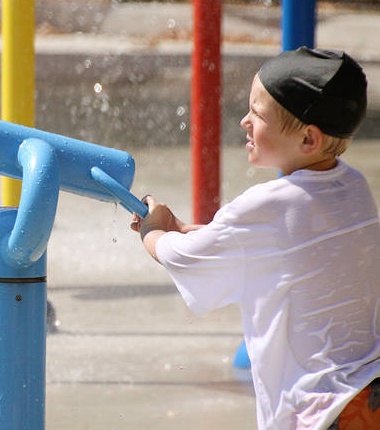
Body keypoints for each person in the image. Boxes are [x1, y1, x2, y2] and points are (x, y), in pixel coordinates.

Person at [131, 46, 380, 430]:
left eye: (258, 114)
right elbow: (265, 249)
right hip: (368, 395)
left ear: (308, 140)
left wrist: (154, 230)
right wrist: (182, 226)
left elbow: (184, 258)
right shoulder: (355, 188)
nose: (245, 120)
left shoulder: (267, 204)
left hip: (318, 413)